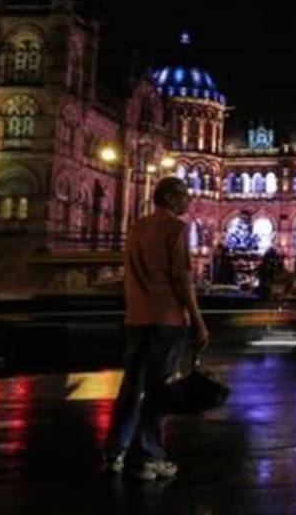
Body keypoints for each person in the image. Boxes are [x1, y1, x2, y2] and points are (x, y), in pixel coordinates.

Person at [104, 177, 209, 480]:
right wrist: (197, 319)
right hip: (167, 319)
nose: (188, 200)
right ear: (169, 198)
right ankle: (149, 456)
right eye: (184, 195)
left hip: (136, 318)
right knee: (157, 390)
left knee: (130, 387)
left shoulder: (137, 228)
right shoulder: (176, 229)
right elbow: (182, 278)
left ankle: (115, 453)